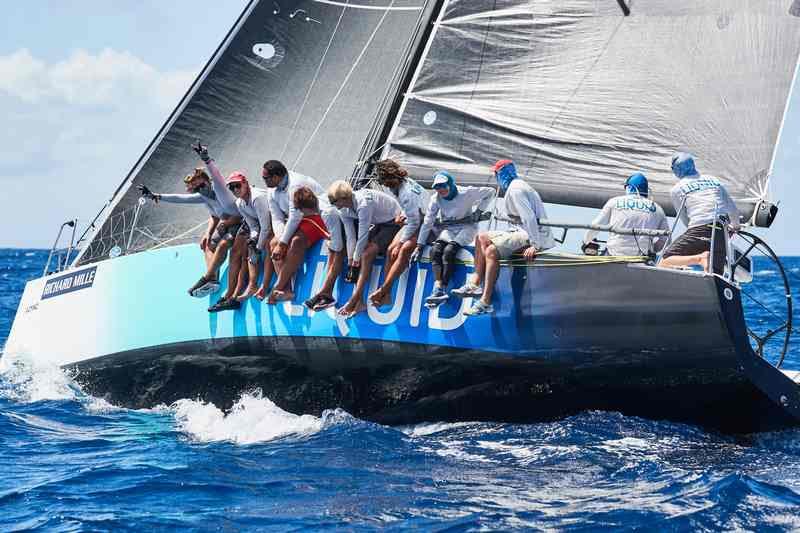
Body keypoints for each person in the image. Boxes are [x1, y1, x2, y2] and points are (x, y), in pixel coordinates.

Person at [453, 159, 554, 316]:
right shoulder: (517, 186)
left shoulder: (516, 190)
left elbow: (529, 218)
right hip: (522, 231)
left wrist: (535, 245)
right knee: (482, 237)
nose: (495, 177)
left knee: (492, 251)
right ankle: (475, 283)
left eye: (496, 174)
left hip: (532, 235)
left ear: (501, 174)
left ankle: (485, 302)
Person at [138, 167, 241, 298]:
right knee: (207, 245)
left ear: (208, 181)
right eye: (197, 189)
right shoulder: (204, 197)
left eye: (202, 185)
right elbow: (182, 199)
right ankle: (213, 280)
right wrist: (156, 196)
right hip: (225, 225)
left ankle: (207, 277)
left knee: (222, 246)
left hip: (239, 221)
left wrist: (206, 159)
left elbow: (217, 176)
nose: (202, 190)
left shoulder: (220, 191)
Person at [194, 143, 273, 311]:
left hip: (270, 223)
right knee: (237, 250)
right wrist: (156, 197)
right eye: (231, 187)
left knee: (251, 250)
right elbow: (252, 224)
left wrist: (206, 159)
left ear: (246, 183)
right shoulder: (240, 202)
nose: (234, 189)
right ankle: (229, 294)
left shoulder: (257, 198)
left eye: (237, 185)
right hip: (253, 224)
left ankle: (245, 289)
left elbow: (265, 226)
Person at [261, 160, 343, 304]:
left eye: (265, 178)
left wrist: (284, 243)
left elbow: (295, 215)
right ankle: (285, 289)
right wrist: (280, 240)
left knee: (296, 241)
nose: (263, 181)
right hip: (300, 216)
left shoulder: (296, 184)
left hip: (315, 214)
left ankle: (278, 286)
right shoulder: (271, 190)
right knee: (274, 243)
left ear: (276, 177)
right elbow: (276, 217)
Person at [412, 170, 495, 308]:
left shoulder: (466, 193)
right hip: (449, 228)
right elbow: (428, 222)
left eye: (443, 185)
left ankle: (443, 288)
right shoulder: (436, 199)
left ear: (450, 183)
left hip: (467, 228)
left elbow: (491, 192)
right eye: (437, 187)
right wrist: (419, 245)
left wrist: (479, 211)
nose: (441, 190)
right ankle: (437, 288)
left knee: (449, 251)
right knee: (435, 250)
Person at [327, 180, 402, 319]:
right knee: (357, 254)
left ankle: (355, 298)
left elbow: (362, 234)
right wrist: (351, 258)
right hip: (379, 222)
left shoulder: (363, 203)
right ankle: (360, 302)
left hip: (394, 221)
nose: (332, 205)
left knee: (366, 254)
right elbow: (351, 236)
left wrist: (356, 257)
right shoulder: (343, 209)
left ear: (344, 198)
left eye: (333, 201)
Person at [660, 153, 740, 273]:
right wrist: (735, 227)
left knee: (665, 261)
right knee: (715, 274)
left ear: (677, 169)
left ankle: (699, 258)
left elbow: (686, 220)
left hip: (698, 229)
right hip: (720, 232)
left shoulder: (677, 189)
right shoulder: (714, 180)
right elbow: (733, 209)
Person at [368, 159, 426, 307]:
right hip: (414, 220)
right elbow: (410, 212)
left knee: (402, 250)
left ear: (390, 177)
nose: (383, 185)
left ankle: (383, 290)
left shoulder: (407, 193)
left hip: (427, 224)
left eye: (383, 181)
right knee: (390, 250)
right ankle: (386, 295)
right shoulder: (402, 183)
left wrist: (401, 243)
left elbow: (415, 222)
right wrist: (402, 214)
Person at [581, 173, 669, 257]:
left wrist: (586, 241)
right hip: (642, 259)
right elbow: (666, 240)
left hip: (613, 255)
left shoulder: (614, 202)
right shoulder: (657, 209)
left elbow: (595, 226)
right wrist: (652, 249)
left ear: (629, 187)